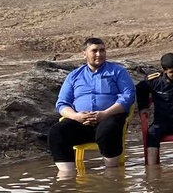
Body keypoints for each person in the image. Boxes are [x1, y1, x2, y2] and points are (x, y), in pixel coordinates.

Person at [48, 37, 136, 176]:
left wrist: (105, 114)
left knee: (109, 129)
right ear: (85, 54)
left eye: (102, 50)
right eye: (94, 51)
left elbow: (128, 96)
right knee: (56, 132)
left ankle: (112, 176)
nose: (99, 54)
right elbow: (62, 103)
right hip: (79, 122)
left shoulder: (117, 72)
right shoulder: (74, 76)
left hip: (108, 117)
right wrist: (76, 116)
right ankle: (66, 179)